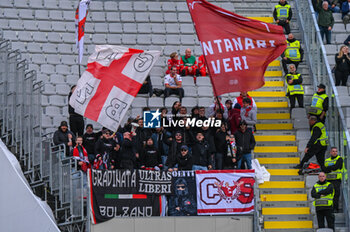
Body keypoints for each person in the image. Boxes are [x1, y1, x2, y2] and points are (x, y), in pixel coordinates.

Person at [324, 147, 344, 212]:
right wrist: (331, 168)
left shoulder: (340, 159)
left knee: (336, 195)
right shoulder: (327, 160)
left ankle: (335, 209)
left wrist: (329, 168)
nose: (334, 152)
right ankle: (330, 208)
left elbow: (336, 167)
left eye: (336, 151)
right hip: (328, 180)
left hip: (336, 180)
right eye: (333, 151)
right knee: (329, 195)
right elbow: (324, 169)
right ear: (330, 152)